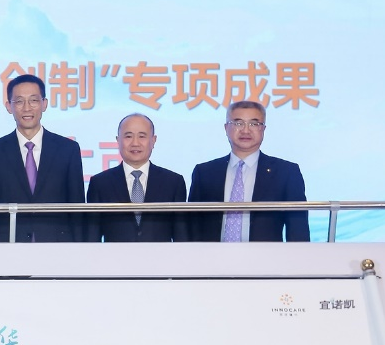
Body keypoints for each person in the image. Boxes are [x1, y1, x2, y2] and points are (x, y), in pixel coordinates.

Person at [0, 74, 85, 243]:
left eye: (34, 100)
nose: (27, 108)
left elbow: (77, 208)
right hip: (8, 245)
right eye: (19, 101)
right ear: (9, 106)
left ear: (44, 104)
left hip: (57, 246)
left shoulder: (67, 149)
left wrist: (80, 250)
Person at [187, 100, 310, 242]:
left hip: (267, 255)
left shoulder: (286, 172)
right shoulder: (205, 172)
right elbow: (192, 224)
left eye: (254, 124)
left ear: (263, 129)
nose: (246, 130)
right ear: (226, 128)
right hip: (213, 254)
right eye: (238, 123)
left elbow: (298, 228)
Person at [86, 113, 189, 242]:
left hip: (161, 255)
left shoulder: (173, 182)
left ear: (153, 140)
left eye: (142, 136)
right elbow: (92, 236)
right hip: (115, 255)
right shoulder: (100, 183)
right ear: (118, 140)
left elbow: (181, 236)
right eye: (128, 136)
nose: (135, 143)